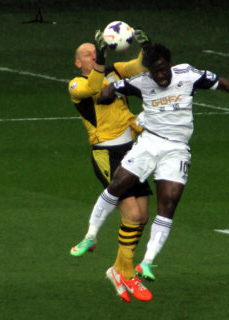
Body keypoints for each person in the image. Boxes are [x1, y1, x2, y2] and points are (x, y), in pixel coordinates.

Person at [95, 43, 229, 283]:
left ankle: (142, 264)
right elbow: (108, 91)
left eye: (163, 69)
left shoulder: (188, 74)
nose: (160, 76)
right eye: (155, 72)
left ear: (169, 64)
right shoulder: (142, 81)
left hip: (176, 149)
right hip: (144, 144)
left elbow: (222, 83)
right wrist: (105, 93)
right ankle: (107, 254)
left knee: (166, 204)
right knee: (128, 204)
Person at [68, 29, 154, 302]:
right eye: (88, 54)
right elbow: (95, 88)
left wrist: (145, 43)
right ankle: (127, 275)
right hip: (106, 154)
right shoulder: (75, 85)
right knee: (130, 214)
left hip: (133, 149)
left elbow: (141, 64)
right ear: (78, 64)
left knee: (142, 215)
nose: (92, 55)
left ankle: (117, 269)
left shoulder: (116, 70)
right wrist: (102, 59)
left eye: (95, 51)